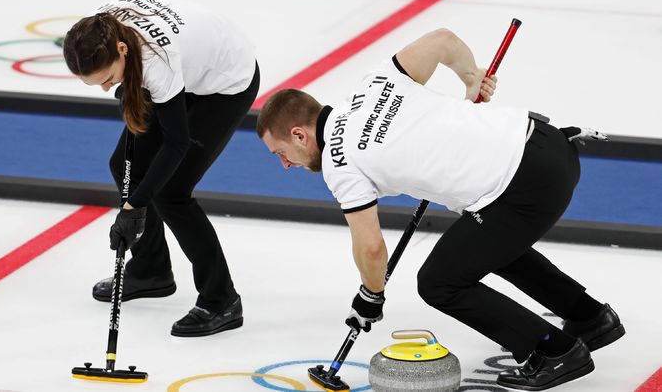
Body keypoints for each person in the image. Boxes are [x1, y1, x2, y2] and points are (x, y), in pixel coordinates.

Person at [256, 28, 623, 390]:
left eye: (282, 154)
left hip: (526, 186)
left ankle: (553, 352)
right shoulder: (373, 84)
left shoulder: (340, 161)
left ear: (300, 135)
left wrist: (370, 296)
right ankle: (590, 318)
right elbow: (442, 41)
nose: (286, 165)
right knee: (482, 247)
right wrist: (470, 77)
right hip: (549, 144)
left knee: (438, 282)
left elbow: (370, 248)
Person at [63, 0, 259, 337]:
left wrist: (134, 207)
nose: (107, 88)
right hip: (183, 64)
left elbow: (176, 143)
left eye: (109, 79)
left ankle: (221, 300)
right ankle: (151, 270)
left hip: (224, 83)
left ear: (121, 51)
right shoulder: (96, 29)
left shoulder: (157, 61)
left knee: (171, 192)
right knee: (123, 166)